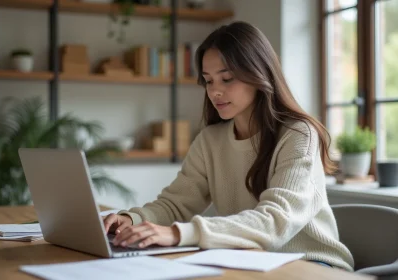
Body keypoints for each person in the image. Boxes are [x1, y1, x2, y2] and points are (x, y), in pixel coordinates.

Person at [103, 21, 354, 271]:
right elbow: (176, 204)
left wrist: (179, 234)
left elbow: (275, 222)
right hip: (251, 262)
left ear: (259, 75)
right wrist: (132, 219)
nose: (215, 92)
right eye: (209, 81)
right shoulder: (210, 140)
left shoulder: (298, 135)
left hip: (312, 264)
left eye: (227, 79)